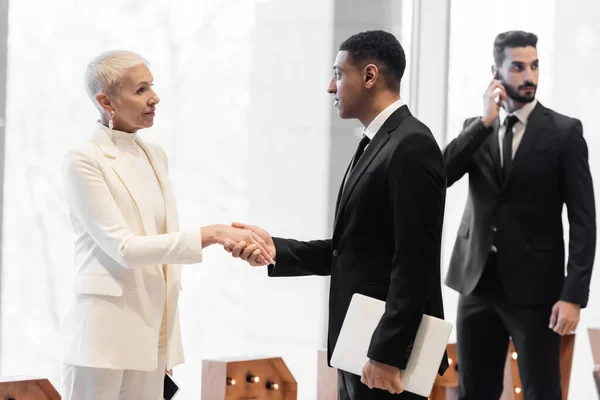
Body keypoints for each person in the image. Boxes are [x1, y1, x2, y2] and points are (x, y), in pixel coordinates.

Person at [227, 30, 448, 399]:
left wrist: (385, 354)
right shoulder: (377, 142)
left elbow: (415, 261)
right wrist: (275, 249)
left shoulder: (411, 144)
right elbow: (354, 248)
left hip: (384, 356)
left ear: (370, 76)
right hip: (356, 346)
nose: (331, 86)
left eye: (339, 73)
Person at [59, 50, 273, 400]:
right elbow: (123, 248)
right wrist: (214, 234)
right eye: (141, 89)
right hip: (101, 340)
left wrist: (163, 340)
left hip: (149, 340)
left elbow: (161, 261)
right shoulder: (83, 160)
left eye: (152, 87)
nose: (154, 98)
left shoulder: (155, 155)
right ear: (105, 100)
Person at [443, 30, 596, 400]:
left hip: (536, 290)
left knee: (541, 391)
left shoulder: (564, 132)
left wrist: (573, 294)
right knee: (473, 391)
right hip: (477, 282)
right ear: (495, 71)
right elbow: (440, 174)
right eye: (518, 67)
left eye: (535, 66)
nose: (529, 76)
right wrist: (483, 121)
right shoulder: (475, 128)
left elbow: (583, 220)